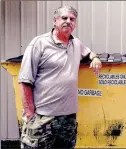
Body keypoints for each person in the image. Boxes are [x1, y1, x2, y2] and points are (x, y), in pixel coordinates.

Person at [18, 6, 102, 149]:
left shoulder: (76, 43)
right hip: (43, 117)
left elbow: (88, 52)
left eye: (72, 19)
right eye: (64, 18)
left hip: (68, 118)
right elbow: (25, 81)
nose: (68, 21)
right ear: (55, 21)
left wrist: (95, 58)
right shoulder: (39, 44)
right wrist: (31, 116)